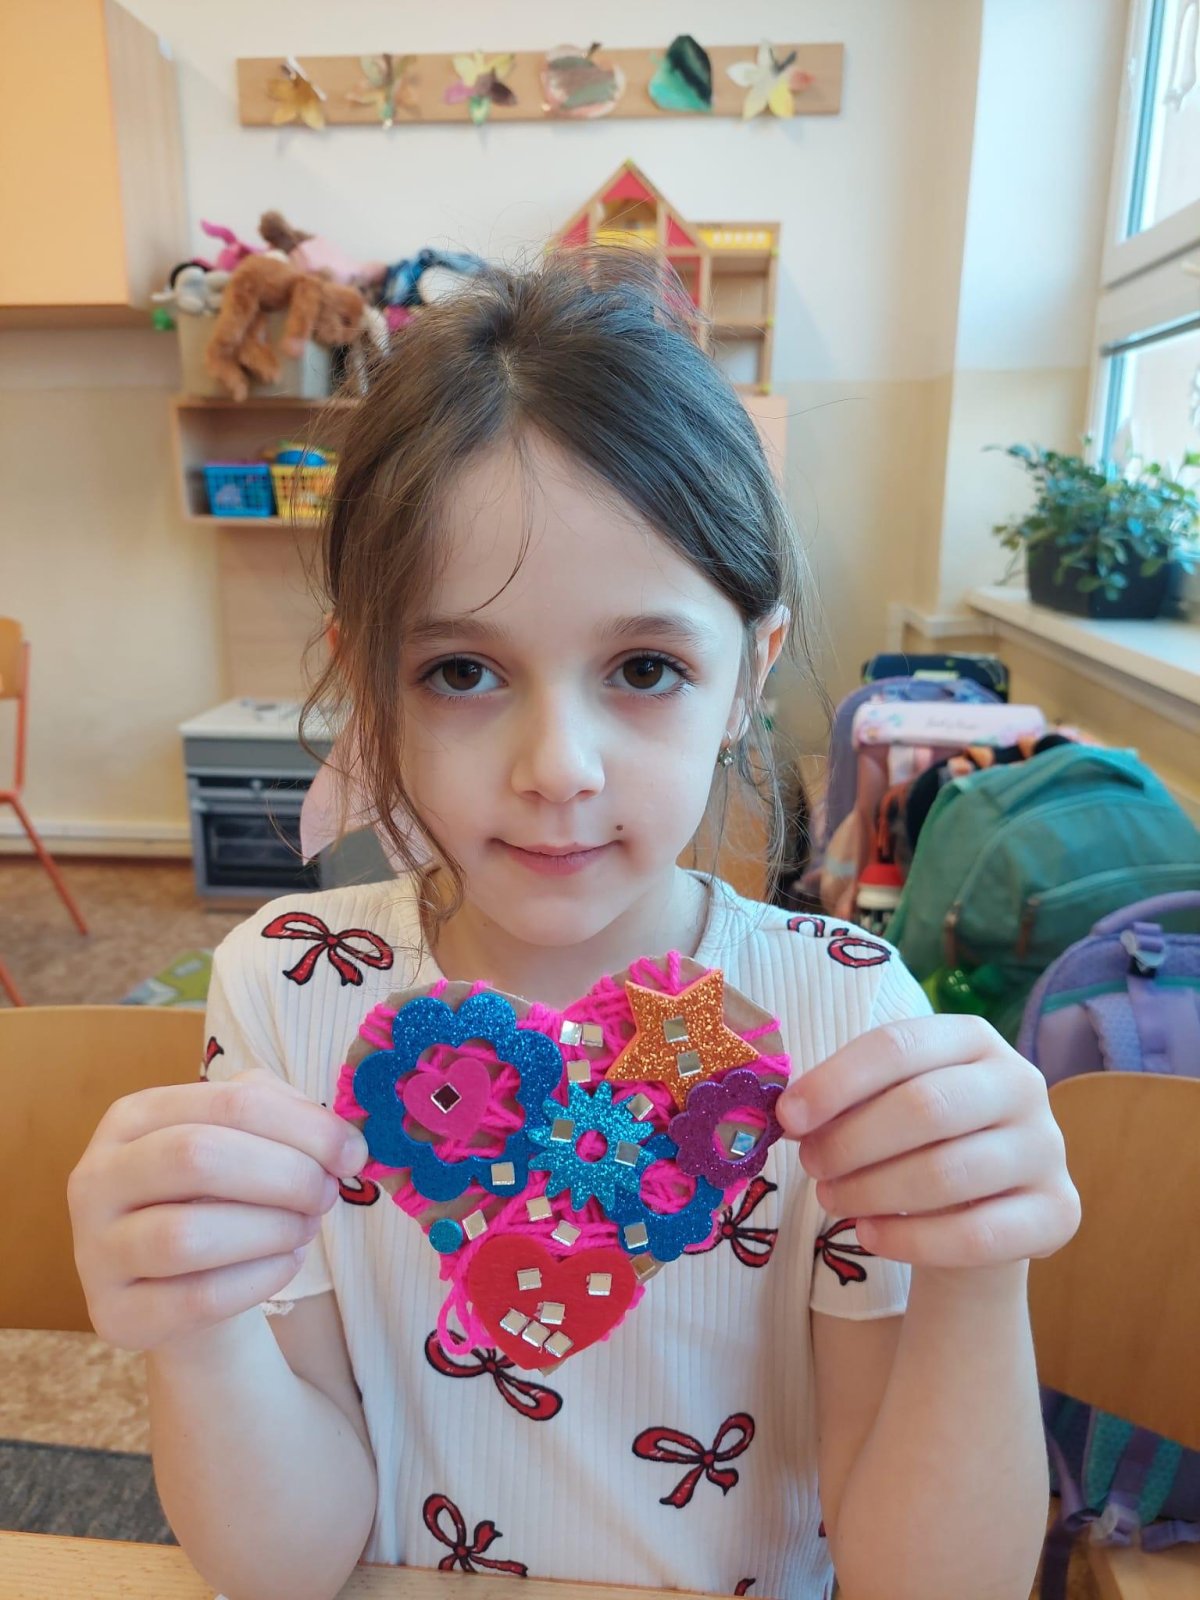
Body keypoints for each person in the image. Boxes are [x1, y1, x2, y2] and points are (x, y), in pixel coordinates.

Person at [68, 250, 1080, 1600]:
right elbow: (284, 1568)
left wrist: (979, 1275)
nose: (559, 767)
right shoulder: (293, 991)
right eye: (462, 671)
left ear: (748, 674)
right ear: (373, 686)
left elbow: (930, 1585)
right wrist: (197, 1333)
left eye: (644, 667)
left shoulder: (845, 1021)